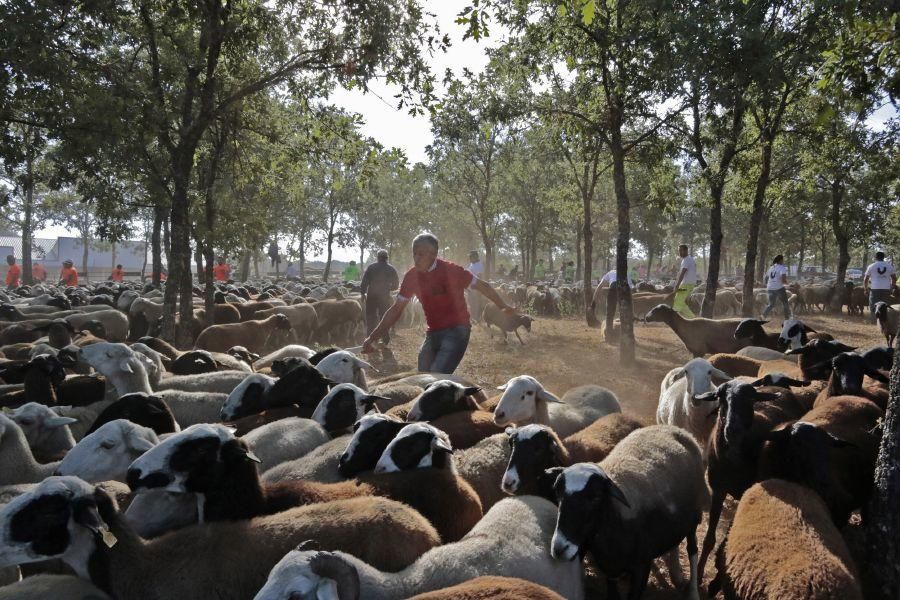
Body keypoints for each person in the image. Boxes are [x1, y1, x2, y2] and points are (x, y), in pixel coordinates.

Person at [362, 233, 515, 374]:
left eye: (421, 254)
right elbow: (396, 310)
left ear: (434, 255)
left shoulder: (452, 271)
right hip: (433, 332)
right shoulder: (411, 277)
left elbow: (483, 286)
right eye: (414, 253)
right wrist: (372, 337)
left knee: (435, 376)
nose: (416, 258)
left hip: (457, 330)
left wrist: (503, 306)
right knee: (423, 374)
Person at [360, 249, 400, 346]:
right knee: (384, 317)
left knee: (371, 318)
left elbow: (364, 282)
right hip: (384, 297)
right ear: (387, 258)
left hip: (371, 296)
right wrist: (387, 288)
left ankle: (370, 340)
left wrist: (362, 293)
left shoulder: (371, 267)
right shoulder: (391, 269)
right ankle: (385, 339)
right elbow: (396, 285)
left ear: (377, 257)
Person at [590, 266, 635, 340]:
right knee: (624, 313)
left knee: (609, 313)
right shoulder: (627, 274)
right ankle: (626, 335)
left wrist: (593, 303)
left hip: (613, 287)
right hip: (624, 288)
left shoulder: (610, 272)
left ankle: (608, 336)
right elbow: (630, 290)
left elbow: (599, 286)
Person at [864, 251, 897, 322]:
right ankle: (884, 321)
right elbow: (894, 278)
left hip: (874, 289)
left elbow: (866, 279)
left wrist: (866, 289)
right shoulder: (889, 266)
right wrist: (892, 287)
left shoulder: (871, 266)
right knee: (885, 305)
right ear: (883, 257)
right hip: (886, 289)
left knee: (873, 305)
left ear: (876, 257)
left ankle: (874, 320)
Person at [672, 245, 698, 318]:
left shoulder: (687, 260)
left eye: (681, 250)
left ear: (686, 251)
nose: (679, 252)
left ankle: (674, 317)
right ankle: (692, 317)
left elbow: (683, 273)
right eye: (679, 251)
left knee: (678, 301)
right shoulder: (688, 259)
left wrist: (677, 286)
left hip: (686, 284)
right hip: (687, 284)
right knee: (679, 300)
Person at [762, 254, 791, 319]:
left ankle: (763, 315)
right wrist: (789, 284)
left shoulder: (771, 267)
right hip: (778, 288)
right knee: (785, 302)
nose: (783, 261)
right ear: (781, 260)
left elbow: (766, 278)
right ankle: (787, 318)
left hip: (770, 288)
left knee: (771, 304)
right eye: (783, 259)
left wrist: (769, 284)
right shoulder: (781, 267)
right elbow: (783, 279)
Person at [466, 251, 486, 323]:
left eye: (471, 257)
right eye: (470, 257)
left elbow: (480, 277)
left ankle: (476, 318)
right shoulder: (472, 264)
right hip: (470, 288)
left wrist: (478, 288)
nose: (470, 258)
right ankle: (473, 318)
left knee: (476, 303)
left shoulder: (479, 265)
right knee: (471, 303)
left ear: (475, 257)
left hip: (475, 288)